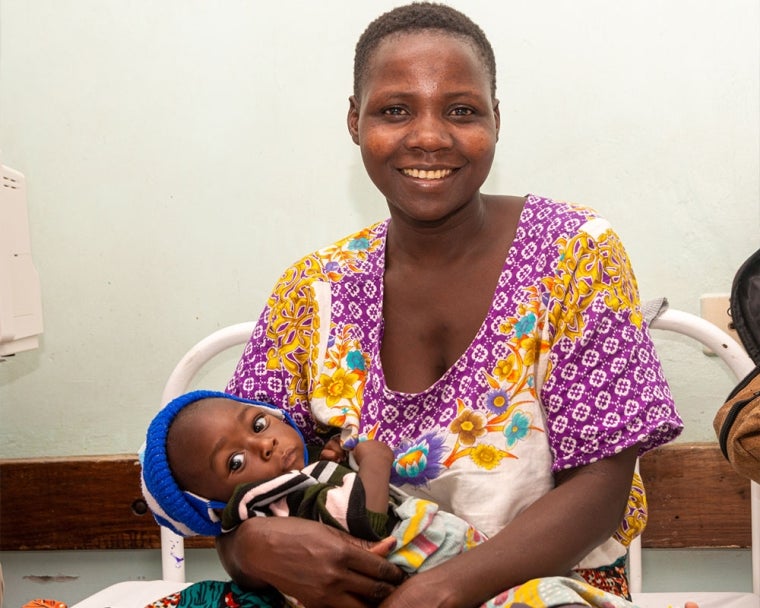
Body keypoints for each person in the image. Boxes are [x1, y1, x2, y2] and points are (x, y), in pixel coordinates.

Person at [214, 3, 688, 607]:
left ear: (497, 120)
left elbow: (602, 485)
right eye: (394, 110)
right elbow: (233, 489)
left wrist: (443, 590)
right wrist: (248, 550)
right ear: (355, 122)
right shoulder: (313, 291)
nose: (430, 136)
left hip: (549, 589)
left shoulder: (575, 253)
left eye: (461, 110)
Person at [140, 389, 487, 576]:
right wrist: (375, 462)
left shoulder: (297, 484)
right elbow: (363, 522)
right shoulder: (279, 503)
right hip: (430, 569)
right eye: (235, 462)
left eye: (259, 424)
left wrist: (329, 459)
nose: (265, 445)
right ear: (217, 506)